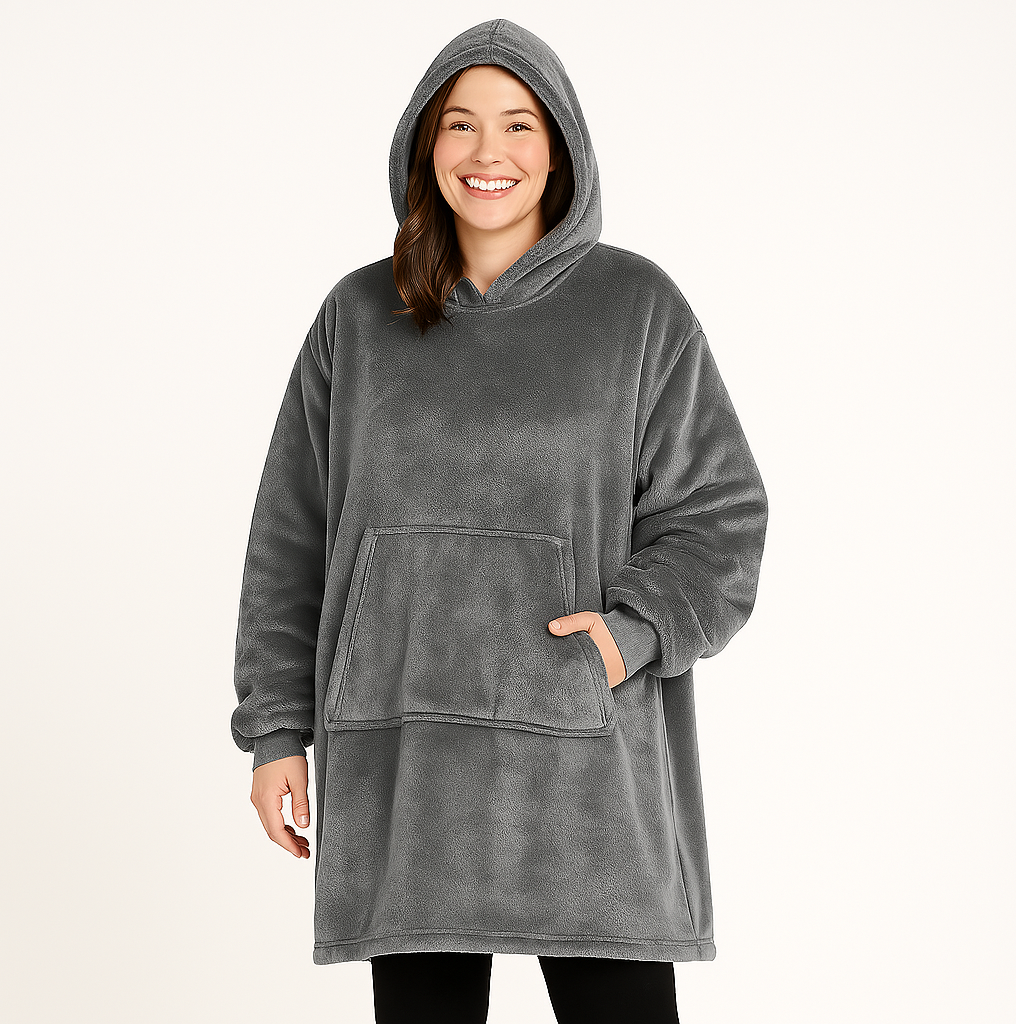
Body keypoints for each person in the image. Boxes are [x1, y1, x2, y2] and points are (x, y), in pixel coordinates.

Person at [231, 18, 769, 1024]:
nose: (489, 152)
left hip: (587, 768)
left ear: (559, 148)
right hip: (405, 762)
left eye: (519, 124)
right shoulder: (359, 317)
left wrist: (631, 633)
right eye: (461, 124)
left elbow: (721, 516)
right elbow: (290, 538)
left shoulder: (637, 309)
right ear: (424, 144)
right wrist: (274, 733)